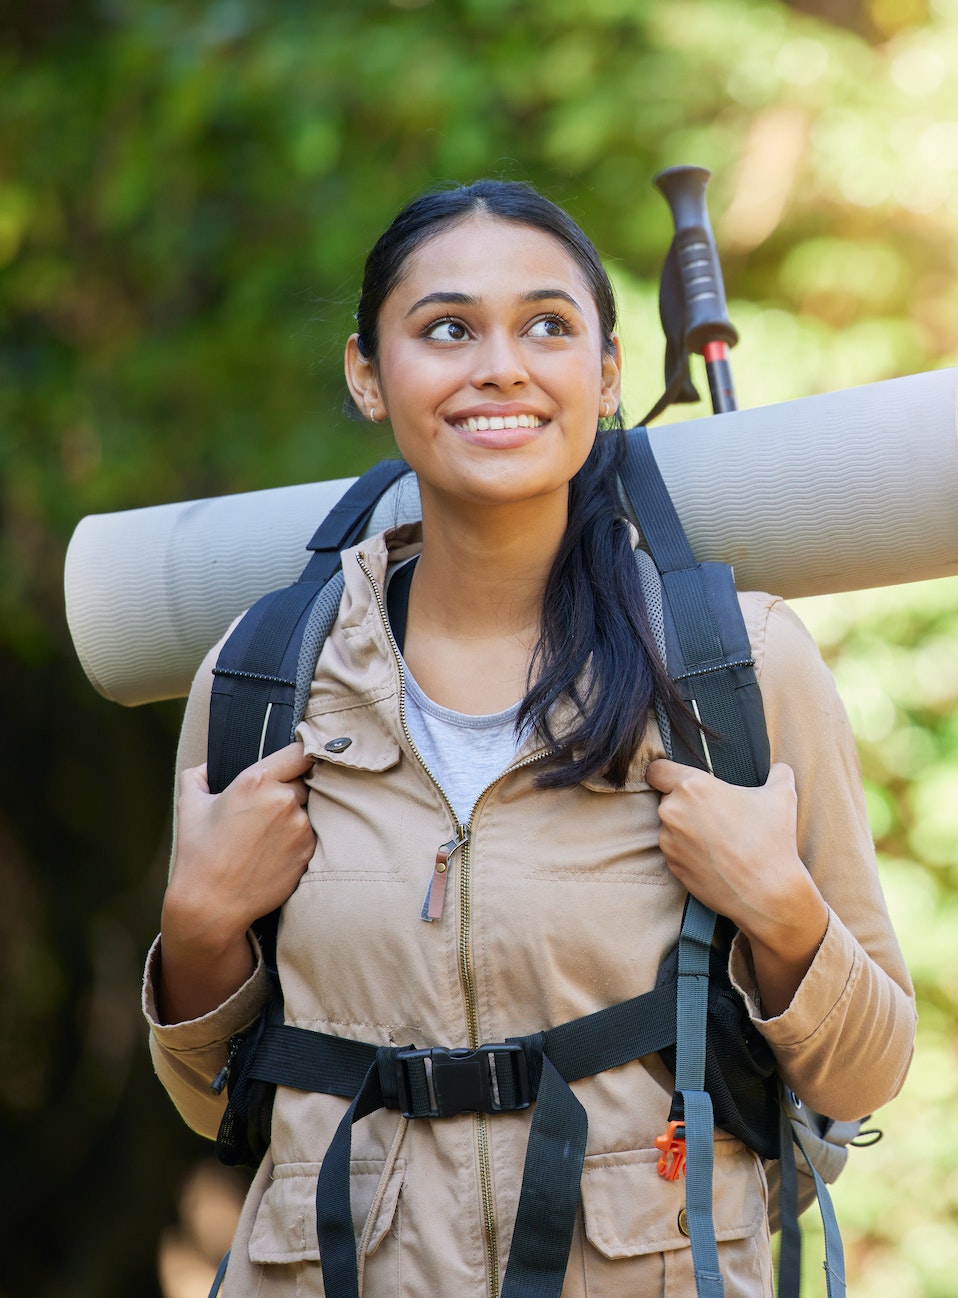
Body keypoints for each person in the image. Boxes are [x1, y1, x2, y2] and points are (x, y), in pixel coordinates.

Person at [141, 179, 917, 1295]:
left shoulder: (732, 665)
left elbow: (868, 1067)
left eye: (547, 326)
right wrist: (199, 927)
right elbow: (222, 1100)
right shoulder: (264, 676)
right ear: (369, 372)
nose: (499, 364)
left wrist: (781, 908)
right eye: (446, 328)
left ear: (605, 376)